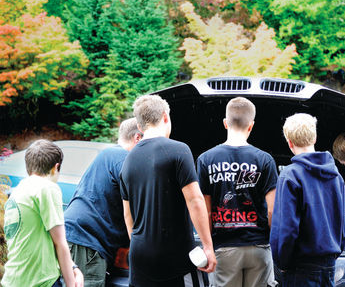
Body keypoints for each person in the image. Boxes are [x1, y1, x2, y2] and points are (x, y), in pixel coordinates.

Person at [120, 95, 216, 287]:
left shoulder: (128, 161)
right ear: (165, 117)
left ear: (139, 127)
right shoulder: (178, 150)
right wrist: (207, 246)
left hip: (140, 257)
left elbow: (128, 215)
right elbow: (195, 201)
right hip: (174, 257)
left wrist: (141, 245)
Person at [197, 97, 278, 287]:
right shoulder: (265, 160)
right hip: (258, 247)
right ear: (251, 126)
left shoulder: (205, 159)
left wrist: (207, 246)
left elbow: (205, 211)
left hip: (224, 249)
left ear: (225, 123)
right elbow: (272, 211)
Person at [270, 113, 345, 287]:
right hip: (328, 266)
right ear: (315, 137)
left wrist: (282, 262)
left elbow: (287, 228)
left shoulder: (290, 175)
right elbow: (344, 229)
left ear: (289, 142)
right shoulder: (336, 176)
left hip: (300, 268)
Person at [64, 118, 142, 286]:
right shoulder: (125, 159)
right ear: (137, 138)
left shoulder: (108, 155)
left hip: (75, 235)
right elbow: (139, 203)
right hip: (86, 240)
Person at [2, 139, 84, 287]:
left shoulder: (18, 191)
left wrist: (73, 267)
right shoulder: (47, 188)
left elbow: (43, 239)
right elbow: (60, 243)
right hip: (40, 281)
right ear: (56, 167)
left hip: (13, 280)